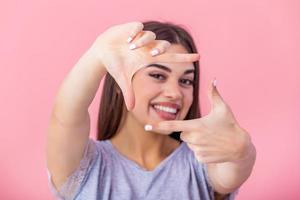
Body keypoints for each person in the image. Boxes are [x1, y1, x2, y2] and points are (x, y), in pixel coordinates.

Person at [46, 21, 256, 200]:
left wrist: (243, 152)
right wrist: (96, 56)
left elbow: (233, 170)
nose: (175, 93)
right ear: (120, 83)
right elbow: (66, 115)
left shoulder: (201, 164)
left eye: (185, 81)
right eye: (157, 75)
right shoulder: (85, 166)